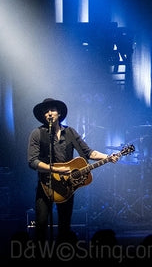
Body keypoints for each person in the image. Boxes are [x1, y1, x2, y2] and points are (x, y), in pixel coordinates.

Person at [27, 97, 120, 242]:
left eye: (52, 110)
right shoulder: (37, 133)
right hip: (45, 186)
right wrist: (54, 170)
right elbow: (32, 161)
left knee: (65, 227)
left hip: (67, 186)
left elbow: (89, 152)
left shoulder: (70, 132)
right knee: (41, 225)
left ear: (59, 113)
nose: (49, 113)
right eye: (46, 112)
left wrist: (108, 156)